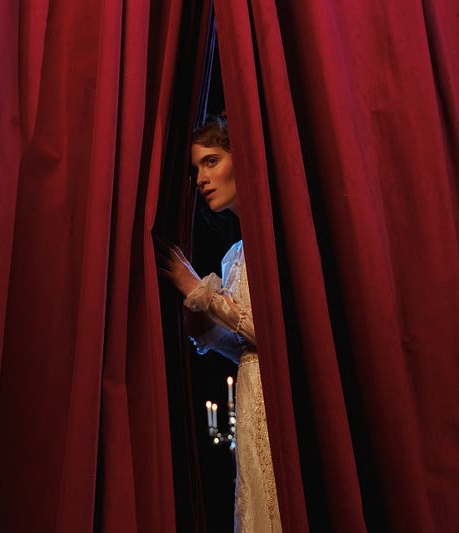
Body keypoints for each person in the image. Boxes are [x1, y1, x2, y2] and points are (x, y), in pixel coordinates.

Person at [156, 114, 282, 532]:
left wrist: (200, 291)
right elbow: (248, 345)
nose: (201, 178)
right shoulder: (235, 256)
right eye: (197, 169)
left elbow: (273, 334)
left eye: (211, 161)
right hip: (250, 397)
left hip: (276, 399)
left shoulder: (273, 241)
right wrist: (207, 324)